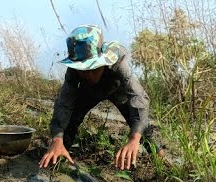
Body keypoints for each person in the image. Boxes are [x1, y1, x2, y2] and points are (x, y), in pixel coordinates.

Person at [39, 25, 159, 171]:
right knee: (70, 122)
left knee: (140, 124)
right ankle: (57, 158)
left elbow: (138, 96)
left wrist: (134, 138)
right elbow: (64, 103)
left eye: (93, 68)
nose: (88, 75)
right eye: (83, 70)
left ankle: (161, 160)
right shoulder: (73, 72)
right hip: (89, 92)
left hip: (116, 88)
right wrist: (57, 139)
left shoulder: (117, 60)